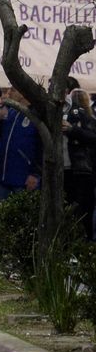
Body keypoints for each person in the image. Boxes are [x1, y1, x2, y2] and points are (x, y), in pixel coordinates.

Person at [0, 91, 40, 200]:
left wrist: (35, 173)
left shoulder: (36, 115)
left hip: (23, 179)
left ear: (22, 93)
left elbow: (41, 147)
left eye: (12, 90)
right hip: (0, 178)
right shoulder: (11, 111)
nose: (9, 93)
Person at [62, 89, 96, 240]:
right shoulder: (50, 111)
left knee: (82, 213)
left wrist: (72, 130)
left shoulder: (82, 114)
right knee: (65, 212)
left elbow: (93, 137)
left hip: (81, 171)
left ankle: (83, 249)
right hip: (61, 171)